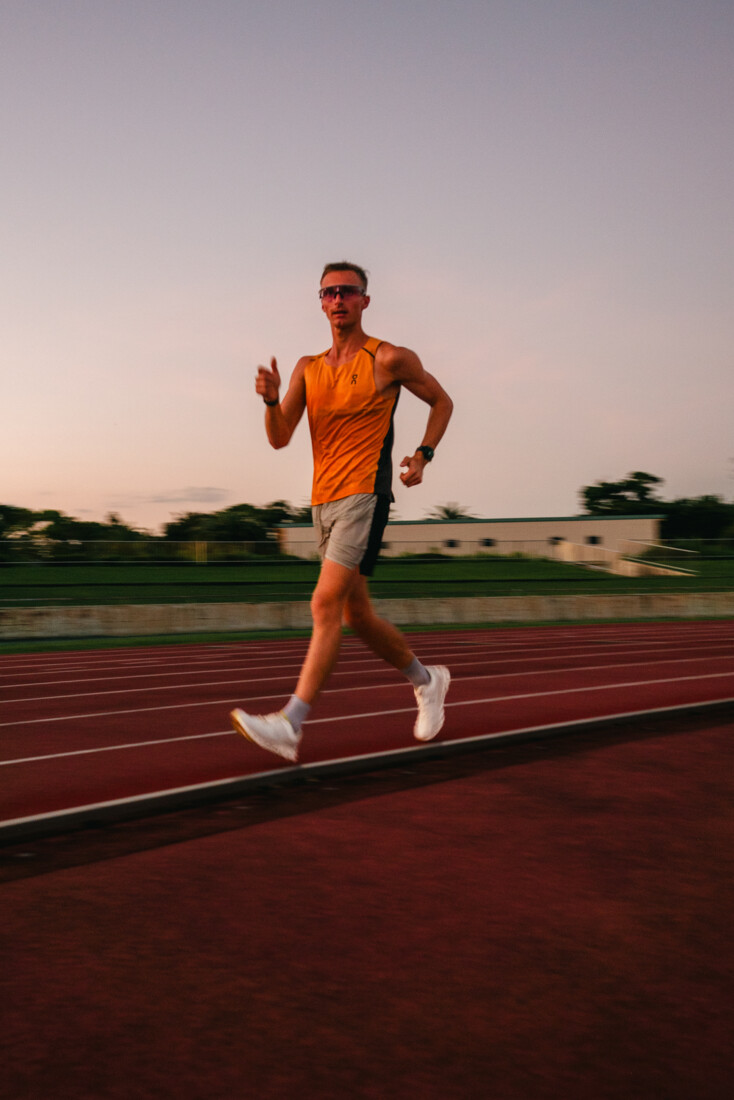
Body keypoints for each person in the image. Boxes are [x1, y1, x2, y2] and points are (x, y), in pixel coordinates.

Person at [230, 261, 454, 762]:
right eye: (329, 292)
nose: (338, 300)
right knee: (358, 613)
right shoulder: (308, 368)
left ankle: (290, 723)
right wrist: (269, 403)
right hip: (323, 499)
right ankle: (427, 680)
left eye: (347, 292)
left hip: (365, 495)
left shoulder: (388, 358)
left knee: (324, 605)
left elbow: (442, 402)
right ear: (321, 301)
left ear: (364, 301)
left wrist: (423, 455)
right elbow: (280, 437)